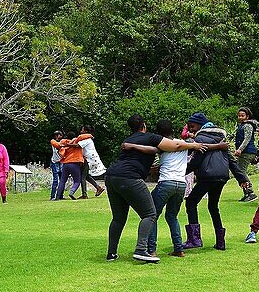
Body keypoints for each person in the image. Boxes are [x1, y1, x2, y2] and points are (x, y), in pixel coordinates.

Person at [104, 115, 209, 263]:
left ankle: (111, 253)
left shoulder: (128, 140)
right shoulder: (151, 137)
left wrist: (134, 147)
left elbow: (153, 150)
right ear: (144, 126)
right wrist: (194, 145)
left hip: (111, 176)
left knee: (119, 217)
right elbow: (175, 146)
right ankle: (141, 250)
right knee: (150, 214)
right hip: (131, 177)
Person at [183, 113, 246, 251]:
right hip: (222, 176)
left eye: (192, 126)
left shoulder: (200, 137)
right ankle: (220, 242)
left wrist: (181, 172)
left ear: (199, 124)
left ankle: (194, 239)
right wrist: (242, 178)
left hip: (207, 176)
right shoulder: (221, 138)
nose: (191, 130)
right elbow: (231, 160)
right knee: (213, 206)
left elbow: (197, 161)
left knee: (191, 202)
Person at [138, 120, 196, 257]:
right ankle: (178, 248)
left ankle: (151, 250)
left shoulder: (161, 144)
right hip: (181, 184)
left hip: (166, 182)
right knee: (172, 216)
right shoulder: (183, 143)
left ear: (159, 132)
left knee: (152, 215)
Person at [233, 107, 259, 202]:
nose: (240, 117)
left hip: (247, 152)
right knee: (240, 172)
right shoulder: (242, 125)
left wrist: (240, 149)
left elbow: (247, 139)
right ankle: (247, 193)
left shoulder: (248, 125)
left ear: (247, 116)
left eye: (242, 115)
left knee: (241, 172)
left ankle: (250, 192)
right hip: (246, 151)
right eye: (239, 115)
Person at [51, 131, 85, 200]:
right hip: (75, 163)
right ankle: (71, 192)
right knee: (77, 181)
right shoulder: (77, 141)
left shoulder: (65, 142)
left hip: (66, 164)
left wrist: (52, 140)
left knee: (62, 181)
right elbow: (83, 137)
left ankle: (57, 196)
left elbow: (57, 145)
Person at [76, 125, 107, 197]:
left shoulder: (86, 140)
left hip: (89, 159)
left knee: (82, 177)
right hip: (89, 159)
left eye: (82, 130)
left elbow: (77, 145)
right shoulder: (88, 139)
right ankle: (98, 187)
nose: (81, 131)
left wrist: (67, 144)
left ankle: (84, 194)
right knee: (86, 176)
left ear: (86, 131)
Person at [48, 131, 64, 200]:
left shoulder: (63, 142)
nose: (60, 136)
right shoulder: (53, 141)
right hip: (55, 162)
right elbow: (58, 145)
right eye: (59, 135)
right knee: (55, 180)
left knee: (62, 180)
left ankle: (60, 196)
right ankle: (53, 196)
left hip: (61, 162)